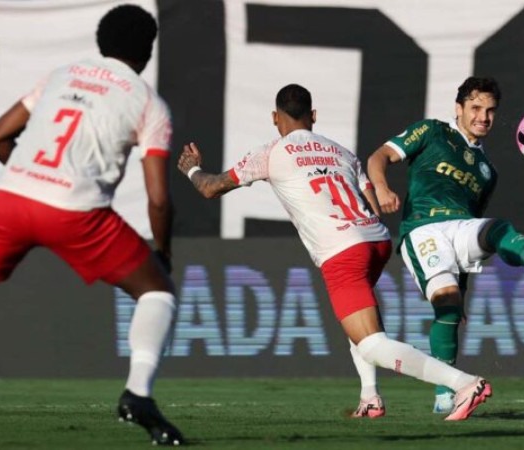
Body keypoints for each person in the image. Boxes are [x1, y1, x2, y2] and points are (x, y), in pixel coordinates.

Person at [177, 83, 492, 421]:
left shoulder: (271, 151)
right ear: (313, 116)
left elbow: (211, 188)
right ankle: (370, 397)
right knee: (357, 320)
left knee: (372, 342)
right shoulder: (341, 151)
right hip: (376, 241)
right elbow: (372, 203)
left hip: (342, 251)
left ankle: (464, 384)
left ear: (274, 118)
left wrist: (192, 169)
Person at [0, 4, 184, 446]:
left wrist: (26, 178)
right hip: (76, 212)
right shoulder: (148, 101)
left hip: (8, 201)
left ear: (100, 42)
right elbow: (158, 198)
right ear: (148, 51)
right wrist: (163, 251)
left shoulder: (62, 75)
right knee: (157, 292)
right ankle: (138, 396)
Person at [367, 76, 524, 414]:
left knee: (493, 231)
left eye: (490, 111)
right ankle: (447, 387)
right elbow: (379, 157)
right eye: (476, 108)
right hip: (423, 230)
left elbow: (474, 233)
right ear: (458, 108)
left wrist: (464, 287)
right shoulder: (432, 131)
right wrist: (382, 188)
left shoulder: (487, 171)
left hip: (460, 229)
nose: (483, 117)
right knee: (445, 303)